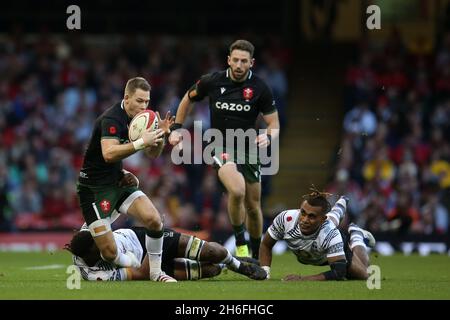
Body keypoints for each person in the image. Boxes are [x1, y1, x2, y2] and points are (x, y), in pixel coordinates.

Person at [169, 40, 280, 259]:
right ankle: (240, 243)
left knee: (253, 205)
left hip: (248, 146)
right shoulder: (212, 81)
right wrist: (176, 128)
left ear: (252, 63)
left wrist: (268, 136)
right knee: (237, 190)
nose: (239, 65)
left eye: (244, 61)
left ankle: (256, 255)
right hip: (218, 144)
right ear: (229, 60)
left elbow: (274, 123)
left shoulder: (259, 88)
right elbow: (186, 99)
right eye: (235, 60)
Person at [76, 77, 177, 282]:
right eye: (139, 101)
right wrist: (141, 142)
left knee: (154, 220)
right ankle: (127, 259)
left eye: (147, 101)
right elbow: (108, 154)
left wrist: (160, 135)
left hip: (118, 182)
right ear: (127, 97)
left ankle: (156, 273)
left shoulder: (145, 119)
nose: (143, 106)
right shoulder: (112, 119)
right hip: (93, 189)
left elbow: (153, 154)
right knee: (109, 253)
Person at [66, 226, 268, 281]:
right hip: (145, 266)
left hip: (141, 238)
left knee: (214, 251)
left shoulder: (92, 231)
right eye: (101, 247)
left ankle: (239, 265)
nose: (106, 245)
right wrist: (152, 257)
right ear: (91, 254)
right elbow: (142, 273)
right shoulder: (95, 274)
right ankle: (226, 265)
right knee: (210, 271)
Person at [259, 187, 376, 281]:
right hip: (322, 232)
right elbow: (266, 245)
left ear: (322, 219)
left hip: (327, 252)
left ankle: (357, 236)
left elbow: (339, 273)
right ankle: (342, 203)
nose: (304, 220)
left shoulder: (332, 235)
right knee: (330, 221)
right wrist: (265, 272)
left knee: (365, 275)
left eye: (311, 216)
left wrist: (303, 279)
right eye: (303, 213)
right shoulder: (285, 219)